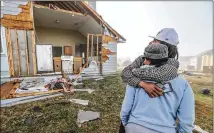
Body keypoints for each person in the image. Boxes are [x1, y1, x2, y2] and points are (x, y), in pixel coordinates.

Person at [120, 44, 195, 133]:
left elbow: (125, 109)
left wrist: (127, 125)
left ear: (147, 60)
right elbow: (187, 119)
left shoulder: (134, 78)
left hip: (134, 127)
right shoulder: (182, 83)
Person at [121, 28, 180, 98]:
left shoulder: (171, 64)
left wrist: (134, 72)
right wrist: (143, 84)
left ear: (166, 46)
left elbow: (161, 74)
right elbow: (125, 73)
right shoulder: (142, 58)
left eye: (155, 41)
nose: (151, 42)